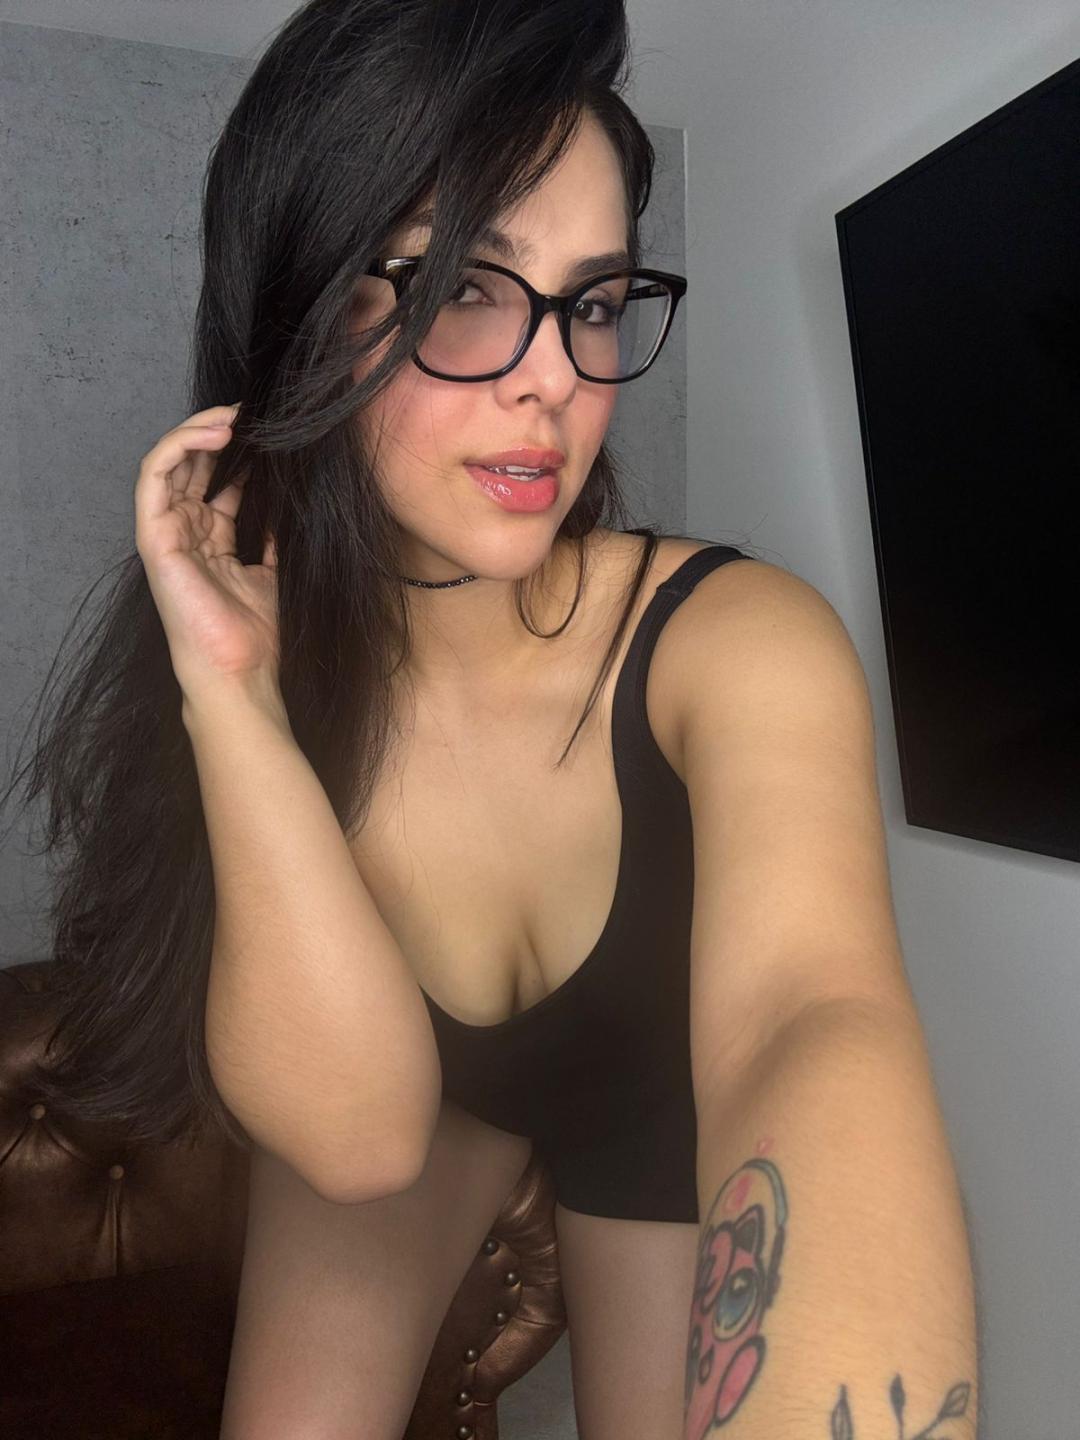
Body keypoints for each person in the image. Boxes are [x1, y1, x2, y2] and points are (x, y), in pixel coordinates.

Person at [4, 0, 979, 1437]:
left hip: (658, 1111)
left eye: (593, 302)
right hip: (421, 1098)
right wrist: (232, 699)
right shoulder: (264, 659)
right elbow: (359, 1139)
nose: (554, 378)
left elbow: (812, 1020)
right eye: (464, 284)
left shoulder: (737, 645)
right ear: (306, 306)